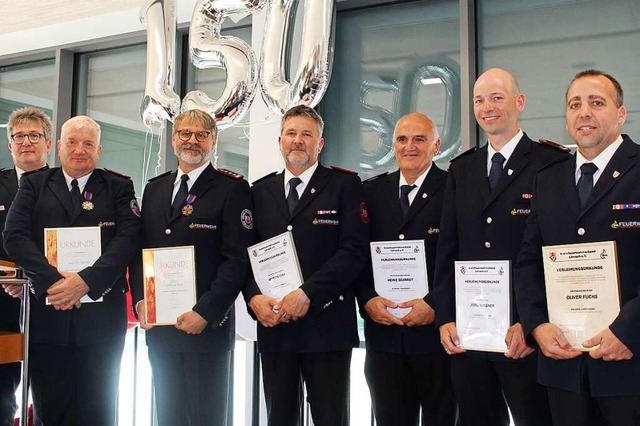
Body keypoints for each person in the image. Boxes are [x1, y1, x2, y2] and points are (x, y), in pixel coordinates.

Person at [432, 68, 567, 426]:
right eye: (479, 100)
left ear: (519, 102)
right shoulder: (461, 169)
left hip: (524, 337)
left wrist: (531, 321)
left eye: (497, 97)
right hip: (470, 334)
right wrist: (444, 316)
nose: (487, 107)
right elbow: (448, 249)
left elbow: (554, 255)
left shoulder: (550, 164)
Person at [514, 70, 640, 425]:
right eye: (574, 104)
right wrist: (536, 324)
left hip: (628, 364)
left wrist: (629, 331)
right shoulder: (547, 179)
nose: (584, 112)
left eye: (596, 102)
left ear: (620, 113)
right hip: (562, 369)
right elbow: (528, 262)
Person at [3, 115, 141, 426]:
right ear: (59, 146)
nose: (79, 149)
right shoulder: (34, 184)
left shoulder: (118, 186)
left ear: (99, 149)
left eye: (88, 143)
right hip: (47, 317)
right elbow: (14, 236)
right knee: (51, 409)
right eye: (72, 142)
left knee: (99, 409)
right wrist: (55, 282)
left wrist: (85, 282)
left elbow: (127, 240)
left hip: (101, 321)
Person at [243, 105, 369, 426]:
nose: (298, 141)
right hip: (275, 327)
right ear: (280, 140)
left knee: (331, 418)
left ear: (320, 143)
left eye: (307, 134)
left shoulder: (344, 186)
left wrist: (308, 293)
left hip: (327, 326)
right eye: (291, 133)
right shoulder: (258, 192)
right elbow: (245, 255)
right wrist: (253, 298)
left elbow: (353, 251)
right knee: (279, 418)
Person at [130, 109, 255, 426]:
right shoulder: (155, 188)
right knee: (168, 415)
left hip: (207, 328)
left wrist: (206, 312)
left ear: (213, 141)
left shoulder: (232, 189)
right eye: (185, 133)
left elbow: (236, 259)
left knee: (205, 417)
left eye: (201, 135)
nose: (192, 141)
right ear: (173, 139)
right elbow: (139, 251)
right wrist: (141, 301)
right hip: (161, 329)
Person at [356, 112, 456, 426]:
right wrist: (368, 300)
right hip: (384, 338)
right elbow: (356, 256)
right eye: (402, 139)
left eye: (419, 139)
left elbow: (460, 256)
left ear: (436, 145)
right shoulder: (371, 192)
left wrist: (435, 305)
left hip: (436, 338)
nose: (409, 146)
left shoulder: (454, 189)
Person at [0, 107, 51, 426]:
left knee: (49, 392)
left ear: (48, 142)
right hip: (1, 307)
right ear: (9, 145)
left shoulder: (67, 186)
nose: (27, 142)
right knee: (3, 398)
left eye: (34, 135)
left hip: (50, 304)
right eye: (19, 136)